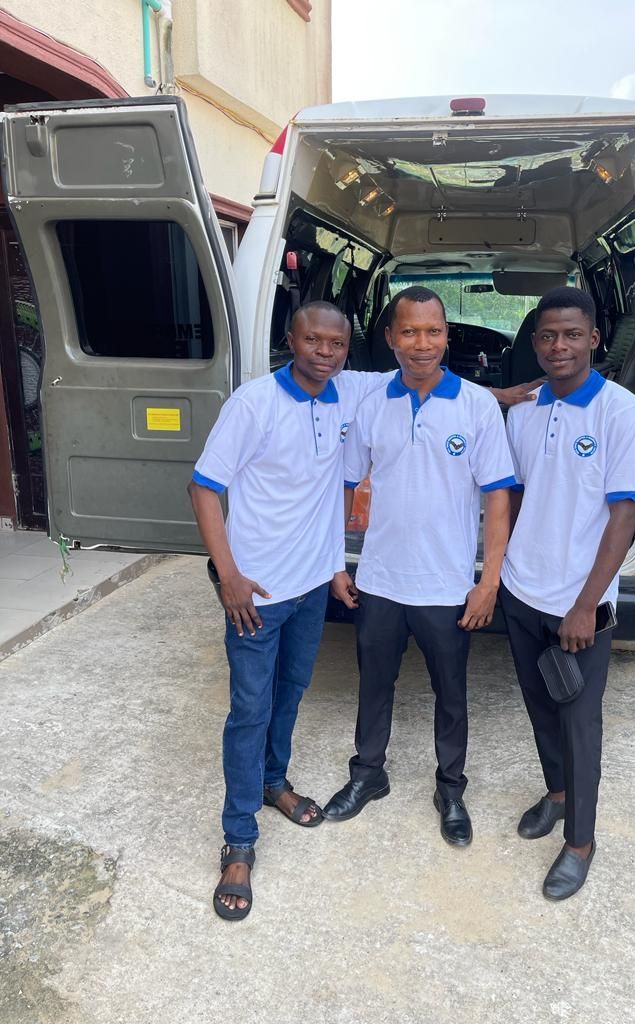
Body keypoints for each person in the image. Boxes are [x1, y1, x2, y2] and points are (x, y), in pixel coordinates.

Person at [189, 301, 391, 921]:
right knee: (249, 710)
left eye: (336, 343)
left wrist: (517, 393)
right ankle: (239, 840)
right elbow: (204, 486)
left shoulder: (343, 396)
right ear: (291, 339)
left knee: (291, 691)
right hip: (257, 593)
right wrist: (229, 577)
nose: (324, 352)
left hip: (308, 590)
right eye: (313, 341)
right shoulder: (253, 404)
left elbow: (426, 369)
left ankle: (275, 783)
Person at [324, 286, 516, 846]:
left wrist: (488, 582)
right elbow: (344, 481)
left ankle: (451, 789)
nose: (421, 343)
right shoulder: (371, 402)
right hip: (380, 577)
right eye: (409, 331)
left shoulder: (476, 405)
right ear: (390, 338)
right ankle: (368, 775)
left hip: (446, 583)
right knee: (374, 684)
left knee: (451, 691)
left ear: (446, 336)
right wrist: (338, 560)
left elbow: (498, 497)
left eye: (432, 331)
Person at [498, 286, 635, 900]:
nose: (560, 345)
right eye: (547, 336)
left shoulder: (619, 410)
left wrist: (586, 604)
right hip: (521, 589)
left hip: (580, 604)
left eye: (571, 334)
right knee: (539, 705)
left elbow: (624, 514)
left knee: (580, 722)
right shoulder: (524, 412)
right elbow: (520, 494)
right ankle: (557, 796)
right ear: (535, 344)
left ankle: (580, 842)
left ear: (593, 339)